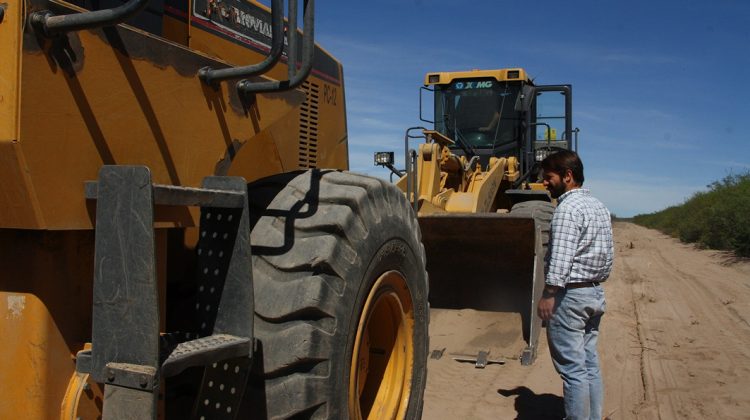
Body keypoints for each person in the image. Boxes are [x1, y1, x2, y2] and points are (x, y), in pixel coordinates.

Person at [537, 150, 614, 420]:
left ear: (568, 176)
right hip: (594, 293)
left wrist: (548, 294)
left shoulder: (567, 210)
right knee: (589, 363)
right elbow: (608, 256)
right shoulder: (599, 207)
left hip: (570, 297)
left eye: (549, 177)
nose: (545, 183)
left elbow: (560, 259)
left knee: (573, 370)